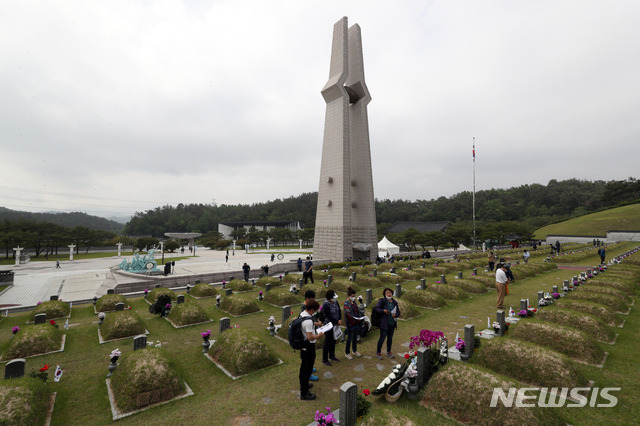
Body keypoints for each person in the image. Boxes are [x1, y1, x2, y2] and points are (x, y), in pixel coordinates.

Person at [299, 300, 324, 401]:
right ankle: (304, 393)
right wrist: (319, 335)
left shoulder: (303, 314)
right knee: (307, 369)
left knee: (303, 368)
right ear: (312, 310)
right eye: (315, 311)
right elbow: (310, 337)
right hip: (308, 346)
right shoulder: (308, 321)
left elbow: (307, 322)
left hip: (303, 345)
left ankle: (304, 385)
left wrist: (317, 324)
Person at [374, 288, 400, 360]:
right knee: (382, 338)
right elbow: (376, 308)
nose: (389, 294)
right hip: (384, 324)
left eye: (390, 292)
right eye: (387, 293)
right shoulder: (382, 301)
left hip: (392, 323)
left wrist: (396, 315)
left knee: (390, 338)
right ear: (384, 294)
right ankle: (378, 352)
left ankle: (389, 351)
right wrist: (383, 310)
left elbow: (398, 312)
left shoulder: (395, 302)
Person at [321, 290, 342, 366]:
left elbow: (339, 310)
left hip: (335, 324)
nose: (335, 299)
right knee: (327, 342)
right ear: (329, 298)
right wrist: (336, 321)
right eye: (333, 298)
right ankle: (325, 359)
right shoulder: (326, 305)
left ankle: (332, 355)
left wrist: (339, 319)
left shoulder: (335, 302)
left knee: (333, 340)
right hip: (329, 325)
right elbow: (328, 316)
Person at [343, 287, 362, 359]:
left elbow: (358, 311)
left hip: (356, 322)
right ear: (348, 296)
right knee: (349, 339)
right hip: (350, 324)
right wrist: (356, 320)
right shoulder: (346, 304)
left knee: (355, 338)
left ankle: (354, 350)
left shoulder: (354, 302)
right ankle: (347, 353)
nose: (353, 298)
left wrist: (360, 317)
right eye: (352, 296)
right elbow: (348, 315)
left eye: (354, 296)